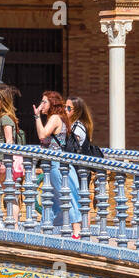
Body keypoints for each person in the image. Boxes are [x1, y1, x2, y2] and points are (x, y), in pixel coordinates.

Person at [34, 90, 70, 228]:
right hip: (54, 164)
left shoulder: (55, 118)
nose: (41, 105)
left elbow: (42, 135)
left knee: (54, 196)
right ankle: (51, 227)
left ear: (52, 103)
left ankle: (52, 227)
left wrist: (37, 116)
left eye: (44, 102)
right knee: (51, 197)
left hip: (55, 164)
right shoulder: (56, 117)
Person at [61, 96, 92, 239]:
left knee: (81, 198)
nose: (65, 110)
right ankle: (80, 229)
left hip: (80, 169)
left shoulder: (78, 127)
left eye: (68, 108)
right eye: (64, 107)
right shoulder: (71, 124)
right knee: (77, 197)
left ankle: (84, 231)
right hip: (75, 168)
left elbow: (73, 146)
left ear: (76, 111)